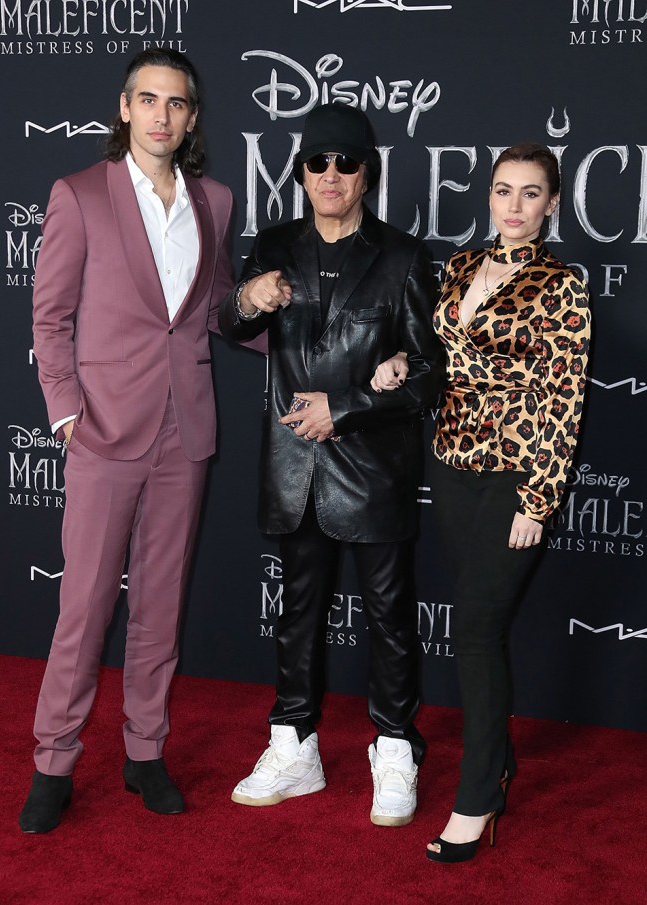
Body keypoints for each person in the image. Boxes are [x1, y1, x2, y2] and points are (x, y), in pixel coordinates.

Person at [19, 49, 259, 833]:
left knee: (162, 604)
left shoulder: (216, 200)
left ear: (192, 118)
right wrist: (64, 414)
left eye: (177, 103)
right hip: (103, 428)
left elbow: (218, 309)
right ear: (124, 108)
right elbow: (49, 316)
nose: (162, 115)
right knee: (84, 604)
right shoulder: (79, 195)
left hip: (183, 431)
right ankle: (54, 759)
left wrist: (267, 315)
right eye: (148, 99)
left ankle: (145, 751)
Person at [219, 104, 445, 827]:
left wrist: (343, 407)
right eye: (318, 162)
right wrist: (244, 298)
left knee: (388, 616)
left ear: (366, 173)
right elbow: (232, 321)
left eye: (346, 163)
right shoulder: (272, 245)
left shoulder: (404, 256)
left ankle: (394, 745)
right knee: (296, 616)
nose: (330, 175)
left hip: (372, 466)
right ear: (301, 171)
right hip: (294, 469)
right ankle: (294, 743)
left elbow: (428, 375)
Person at [372, 143, 591, 860]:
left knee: (473, 629)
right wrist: (406, 361)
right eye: (504, 190)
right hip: (453, 463)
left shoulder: (563, 287)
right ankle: (497, 758)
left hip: (514, 473)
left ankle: (476, 798)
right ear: (489, 195)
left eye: (533, 193)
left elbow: (563, 403)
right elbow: (442, 358)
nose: (516, 205)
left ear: (553, 203)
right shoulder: (463, 265)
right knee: (482, 631)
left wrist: (538, 498)